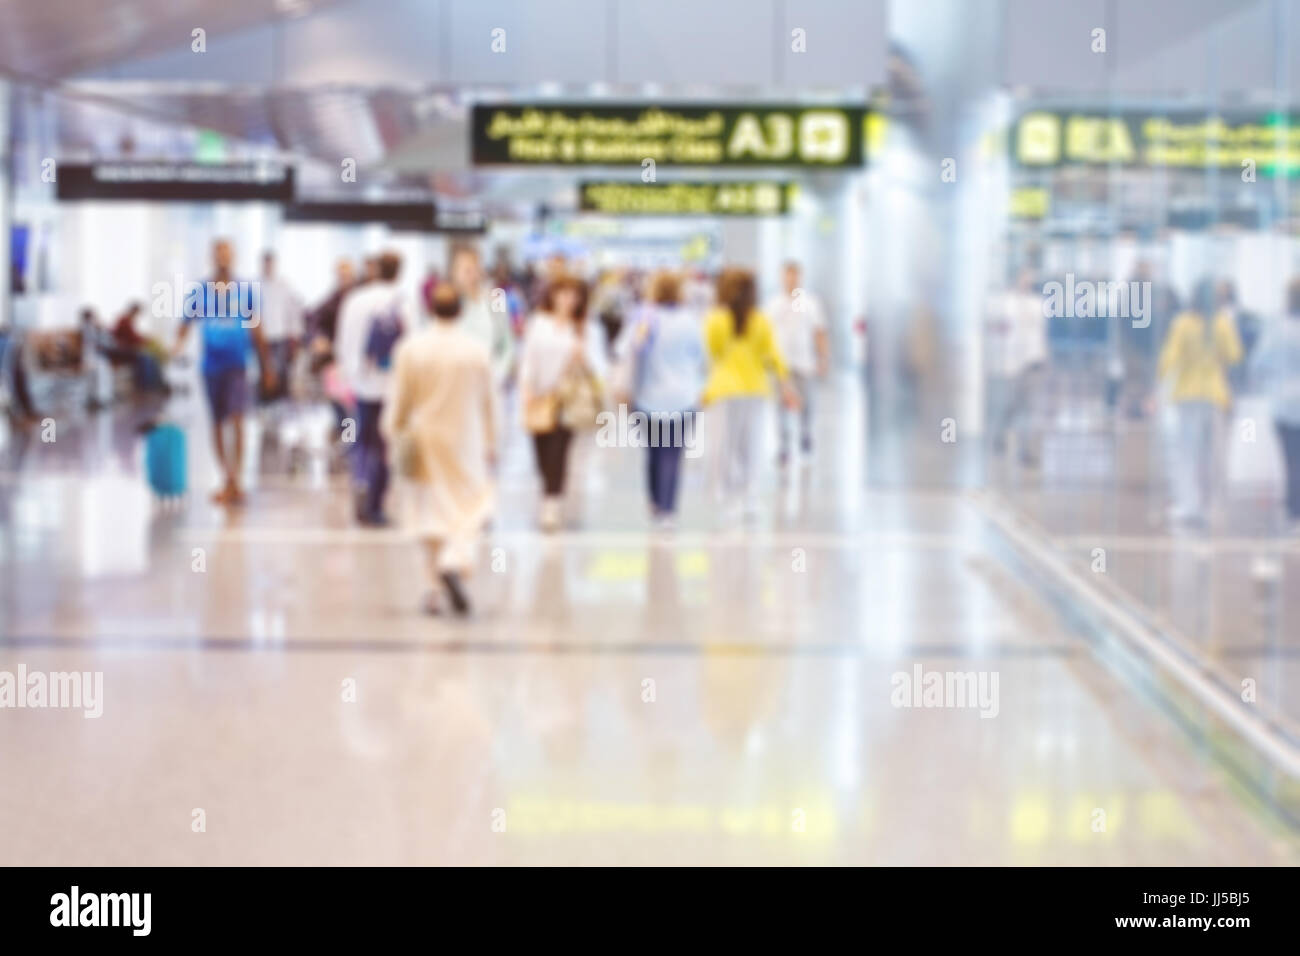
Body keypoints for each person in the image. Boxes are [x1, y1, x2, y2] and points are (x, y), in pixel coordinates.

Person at [382, 285, 497, 616]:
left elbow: (400, 400)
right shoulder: (475, 351)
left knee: (430, 513)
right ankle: (454, 560)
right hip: (465, 440)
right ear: (460, 311)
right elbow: (489, 402)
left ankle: (433, 589)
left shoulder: (411, 349)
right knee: (471, 506)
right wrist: (492, 441)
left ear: (429, 309)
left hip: (424, 439)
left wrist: (393, 431)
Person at [171, 239, 275, 505]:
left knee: (238, 419)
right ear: (212, 257)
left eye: (228, 253)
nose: (223, 258)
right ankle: (226, 477)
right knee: (217, 422)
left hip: (238, 365)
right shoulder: (200, 291)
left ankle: (236, 479)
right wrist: (175, 347)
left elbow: (257, 329)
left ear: (234, 257)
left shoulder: (246, 290)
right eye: (219, 253)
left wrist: (267, 367)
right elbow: (185, 324)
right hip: (211, 367)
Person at [702, 267, 797, 519]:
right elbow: (773, 355)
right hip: (755, 390)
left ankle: (726, 500)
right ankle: (750, 498)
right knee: (751, 447)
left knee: (724, 447)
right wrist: (786, 385)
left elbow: (712, 353)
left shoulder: (716, 319)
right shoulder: (761, 320)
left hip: (724, 391)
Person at [614, 270, 705, 527]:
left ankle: (655, 503)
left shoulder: (643, 318)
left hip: (647, 397)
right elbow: (701, 357)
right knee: (672, 455)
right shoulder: (690, 320)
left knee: (653, 452)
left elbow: (623, 350)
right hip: (683, 397)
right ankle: (668, 511)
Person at [518, 275, 606, 531]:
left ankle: (551, 504)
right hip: (539, 397)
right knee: (541, 453)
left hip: (568, 400)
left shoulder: (587, 329)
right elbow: (528, 358)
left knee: (558, 451)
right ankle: (549, 492)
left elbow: (601, 369)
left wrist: (584, 354)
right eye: (562, 292)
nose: (568, 299)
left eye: (573, 294)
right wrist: (526, 388)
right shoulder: (539, 323)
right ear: (552, 295)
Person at [335, 250, 416, 526]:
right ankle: (375, 504)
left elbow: (343, 342)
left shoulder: (355, 300)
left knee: (360, 440)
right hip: (391, 386)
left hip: (360, 383)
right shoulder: (404, 302)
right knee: (384, 445)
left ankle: (360, 482)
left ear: (374, 270)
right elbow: (411, 348)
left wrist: (348, 377)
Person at [1157, 278, 1243, 525]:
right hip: (1215, 395)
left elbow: (1168, 358)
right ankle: (1212, 505)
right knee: (1213, 455)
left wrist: (1159, 386)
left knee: (1187, 453)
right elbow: (1234, 355)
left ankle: (1189, 506)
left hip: (1187, 394)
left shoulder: (1183, 323)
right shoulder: (1222, 324)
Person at [764, 261, 829, 465]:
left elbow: (819, 331)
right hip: (781, 364)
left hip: (804, 362)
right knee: (780, 406)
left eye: (794, 276)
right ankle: (784, 446)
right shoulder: (773, 304)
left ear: (800, 277)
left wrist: (822, 357)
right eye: (787, 275)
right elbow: (765, 335)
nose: (791, 280)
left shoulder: (809, 303)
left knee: (807, 404)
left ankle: (805, 436)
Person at [1249, 278, 1300, 532]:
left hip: (1284, 403)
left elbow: (1259, 362)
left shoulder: (1277, 328)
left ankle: (1294, 513)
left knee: (1292, 459)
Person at [985, 267, 1047, 465]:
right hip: (1011, 362)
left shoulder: (1037, 303)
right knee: (1011, 404)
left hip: (1032, 361)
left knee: (1028, 407)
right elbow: (994, 328)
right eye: (1024, 278)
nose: (1027, 283)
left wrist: (1043, 356)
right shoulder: (1004, 303)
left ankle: (1025, 450)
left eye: (1030, 279)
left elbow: (1040, 332)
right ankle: (999, 437)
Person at [448, 243, 515, 388]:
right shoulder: (449, 301)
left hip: (490, 378)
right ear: (455, 272)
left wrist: (499, 374)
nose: (471, 275)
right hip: (457, 381)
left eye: (475, 269)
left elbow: (507, 339)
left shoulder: (496, 297)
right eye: (466, 270)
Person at [256, 251, 304, 403]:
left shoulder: (284, 285)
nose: (268, 267)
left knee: (282, 374)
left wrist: (295, 335)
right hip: (261, 338)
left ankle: (282, 408)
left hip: (280, 337)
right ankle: (265, 408)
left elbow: (293, 311)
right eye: (265, 263)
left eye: (270, 263)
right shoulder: (254, 285)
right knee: (264, 374)